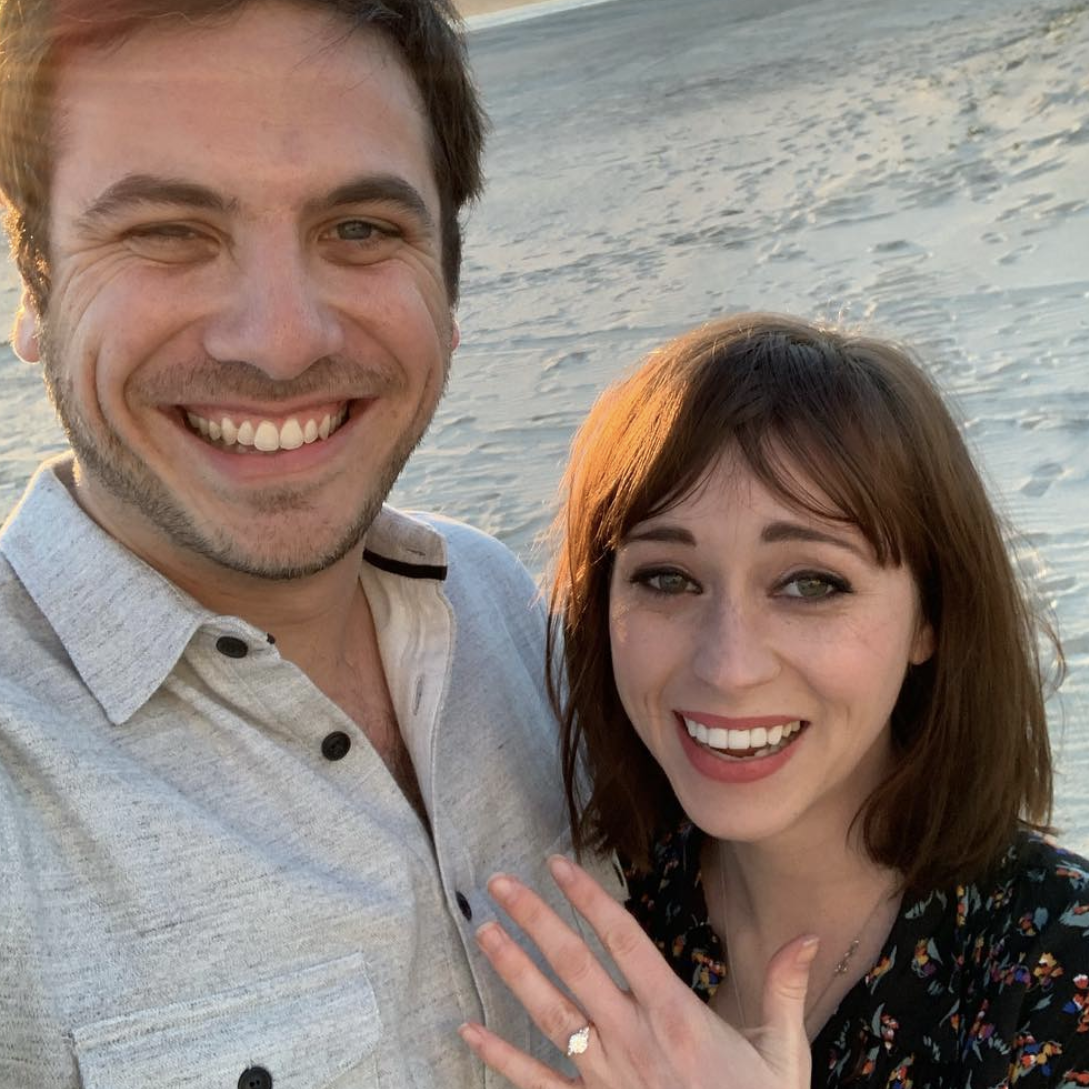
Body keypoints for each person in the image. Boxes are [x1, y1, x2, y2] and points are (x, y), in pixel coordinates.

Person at [0, 1, 622, 1085]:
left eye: (360, 230)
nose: (282, 341)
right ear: (31, 287)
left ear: (449, 277)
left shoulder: (501, 609)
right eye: (167, 234)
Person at [458, 313, 1089, 1088]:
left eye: (810, 583)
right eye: (667, 577)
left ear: (930, 616)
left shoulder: (1055, 965)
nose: (728, 665)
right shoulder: (594, 895)